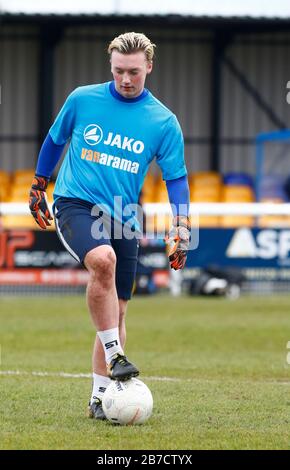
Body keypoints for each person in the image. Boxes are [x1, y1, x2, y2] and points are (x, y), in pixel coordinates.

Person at [29, 32, 191, 420]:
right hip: (75, 202)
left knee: (116, 312)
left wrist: (181, 225)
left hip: (123, 214)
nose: (126, 79)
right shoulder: (82, 99)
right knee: (102, 260)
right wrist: (38, 183)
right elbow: (55, 140)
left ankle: (100, 399)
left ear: (149, 66)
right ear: (111, 66)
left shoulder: (163, 122)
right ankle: (117, 355)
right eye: (119, 71)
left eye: (134, 71)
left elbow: (176, 179)